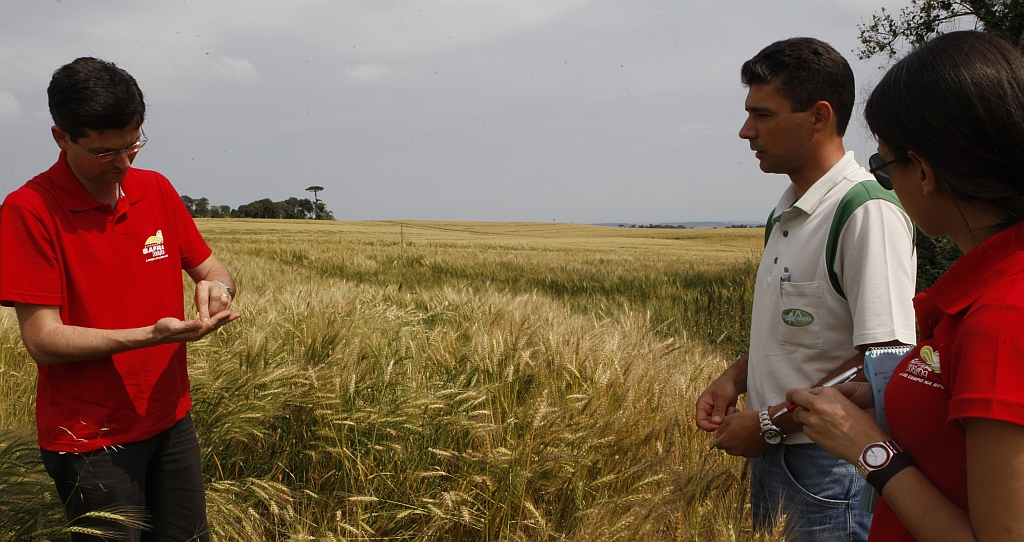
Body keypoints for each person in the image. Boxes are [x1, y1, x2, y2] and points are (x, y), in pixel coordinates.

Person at [787, 31, 1024, 542]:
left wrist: (869, 449)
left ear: (924, 171)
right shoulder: (989, 295)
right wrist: (889, 395)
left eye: (884, 165)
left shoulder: (1002, 318)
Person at [0, 57, 240, 540]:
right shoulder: (28, 210)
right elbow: (43, 341)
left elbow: (211, 267)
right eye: (105, 152)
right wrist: (149, 337)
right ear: (61, 136)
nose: (125, 164)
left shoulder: (155, 189)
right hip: (89, 439)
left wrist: (219, 288)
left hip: (171, 419)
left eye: (134, 144)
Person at [694, 38, 918, 541]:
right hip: (780, 456)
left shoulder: (865, 212)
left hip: (831, 469)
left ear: (818, 116)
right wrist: (737, 378)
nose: (745, 131)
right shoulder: (788, 211)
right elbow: (809, 335)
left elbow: (885, 358)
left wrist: (771, 423)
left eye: (762, 114)